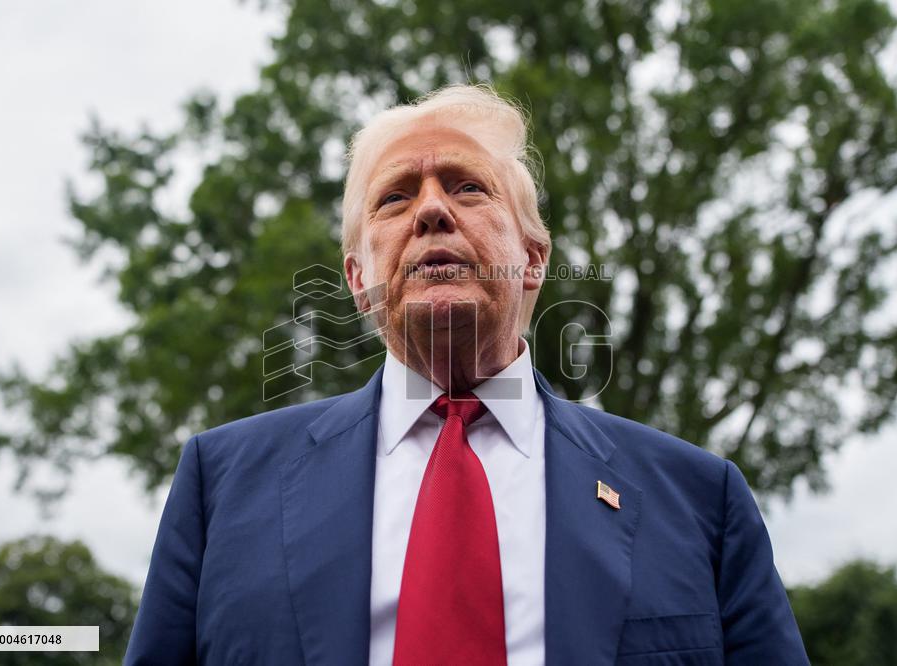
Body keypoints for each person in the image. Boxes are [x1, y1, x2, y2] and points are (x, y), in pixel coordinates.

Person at [124, 84, 809, 665]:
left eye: (467, 187)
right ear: (358, 279)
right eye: (394, 198)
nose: (430, 210)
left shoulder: (699, 500)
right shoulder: (220, 486)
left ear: (532, 259)